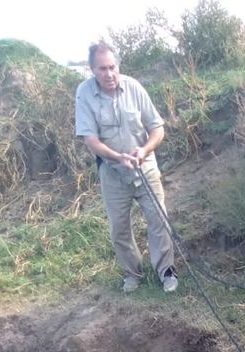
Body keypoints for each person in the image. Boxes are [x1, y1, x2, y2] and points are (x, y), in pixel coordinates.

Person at [75, 41, 178, 293]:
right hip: (112, 172)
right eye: (102, 69)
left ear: (118, 66)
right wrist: (117, 157)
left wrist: (143, 150)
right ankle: (132, 274)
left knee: (159, 221)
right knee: (119, 228)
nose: (109, 74)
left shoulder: (134, 87)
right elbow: (90, 139)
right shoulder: (84, 93)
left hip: (146, 168)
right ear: (92, 70)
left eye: (112, 67)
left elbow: (157, 128)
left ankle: (166, 272)